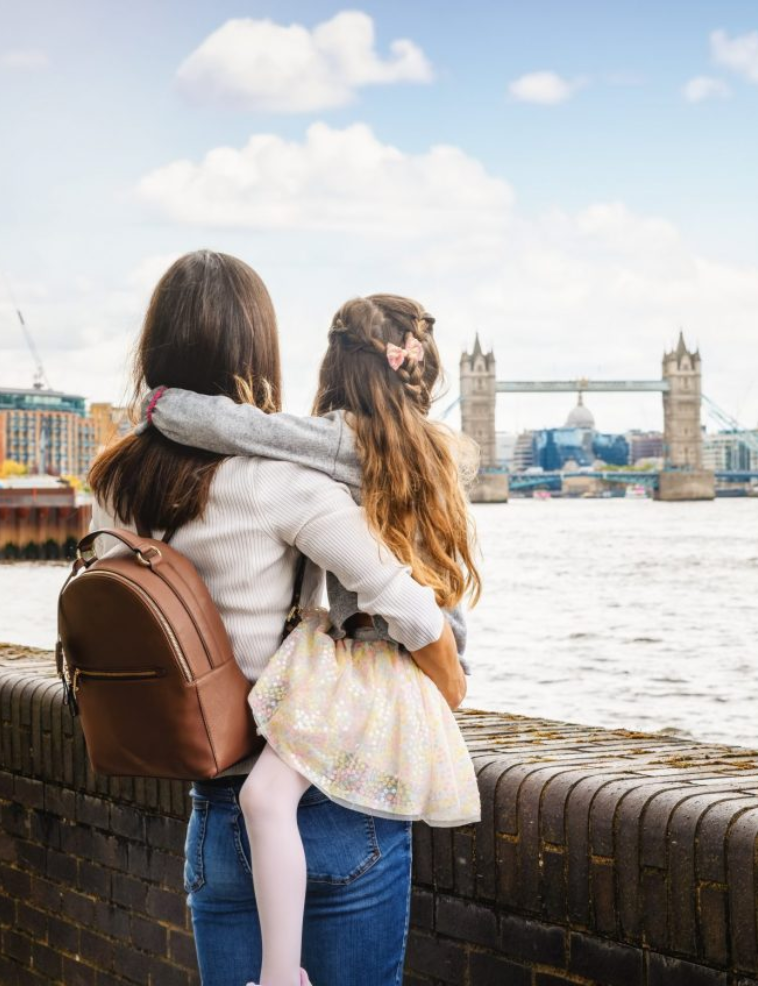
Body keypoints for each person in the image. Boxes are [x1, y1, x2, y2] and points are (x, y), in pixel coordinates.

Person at [89, 252, 471, 986]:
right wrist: (451, 685)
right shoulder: (282, 480)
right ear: (254, 349)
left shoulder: (113, 478)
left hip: (208, 803)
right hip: (329, 805)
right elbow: (411, 610)